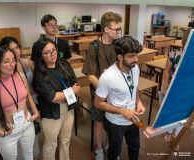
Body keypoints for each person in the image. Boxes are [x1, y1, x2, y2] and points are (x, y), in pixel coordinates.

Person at [0, 46, 39, 159]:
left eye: (13, 60)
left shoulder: (20, 76)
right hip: (7, 128)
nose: (12, 64)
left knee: (28, 155)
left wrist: (35, 113)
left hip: (26, 123)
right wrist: (0, 132)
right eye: (6, 62)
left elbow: (28, 96)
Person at [95, 36, 145, 160]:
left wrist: (139, 102)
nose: (136, 59)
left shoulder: (135, 68)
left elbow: (134, 87)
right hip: (115, 123)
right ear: (120, 56)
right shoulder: (108, 77)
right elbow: (98, 103)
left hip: (133, 118)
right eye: (131, 56)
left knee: (135, 147)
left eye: (136, 55)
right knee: (114, 151)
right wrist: (123, 111)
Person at [81, 12, 123, 160]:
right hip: (100, 94)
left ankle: (109, 145)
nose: (119, 32)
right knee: (99, 123)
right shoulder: (94, 47)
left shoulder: (118, 45)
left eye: (120, 29)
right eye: (116, 29)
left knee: (111, 124)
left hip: (115, 94)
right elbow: (90, 75)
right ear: (106, 29)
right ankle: (99, 149)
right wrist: (106, 91)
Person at [32, 37, 80, 160]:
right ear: (40, 55)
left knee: (65, 139)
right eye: (47, 52)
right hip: (51, 111)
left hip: (68, 107)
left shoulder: (64, 64)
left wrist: (61, 96)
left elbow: (76, 86)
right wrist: (68, 93)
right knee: (51, 142)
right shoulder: (40, 73)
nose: (52, 54)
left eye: (53, 50)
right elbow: (52, 97)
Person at [0, 36, 40, 160]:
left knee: (32, 132)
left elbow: (39, 79)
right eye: (11, 49)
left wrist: (34, 88)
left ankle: (35, 154)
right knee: (16, 137)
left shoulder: (28, 62)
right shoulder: (7, 69)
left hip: (31, 102)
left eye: (17, 47)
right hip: (13, 106)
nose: (16, 51)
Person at [162, 28, 191, 152]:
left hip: (188, 90)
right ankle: (169, 132)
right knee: (171, 112)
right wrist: (165, 87)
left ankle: (176, 139)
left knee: (182, 115)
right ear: (183, 42)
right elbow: (167, 71)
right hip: (174, 89)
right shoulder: (174, 54)